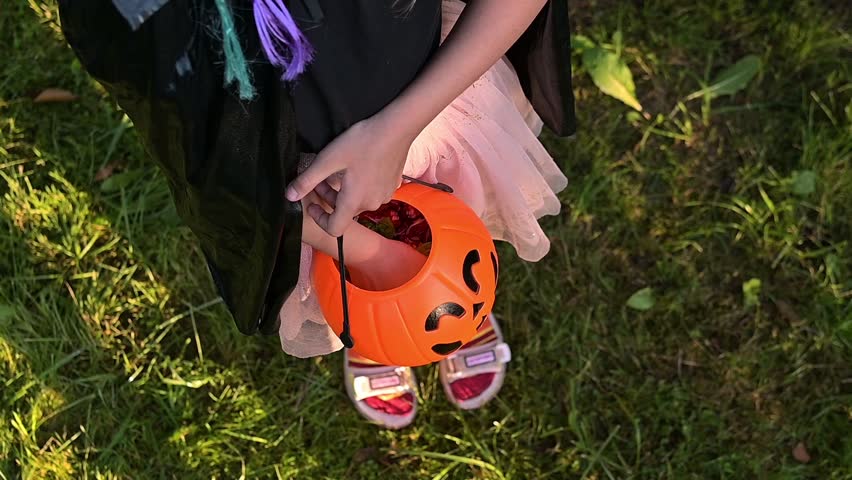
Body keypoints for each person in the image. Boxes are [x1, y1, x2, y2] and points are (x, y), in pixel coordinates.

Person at [58, 0, 575, 430]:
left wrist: (398, 128)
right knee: (374, 300)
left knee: (455, 212)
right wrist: (361, 251)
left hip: (430, 105)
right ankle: (379, 333)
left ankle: (455, 302)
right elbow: (178, 116)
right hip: (303, 191)